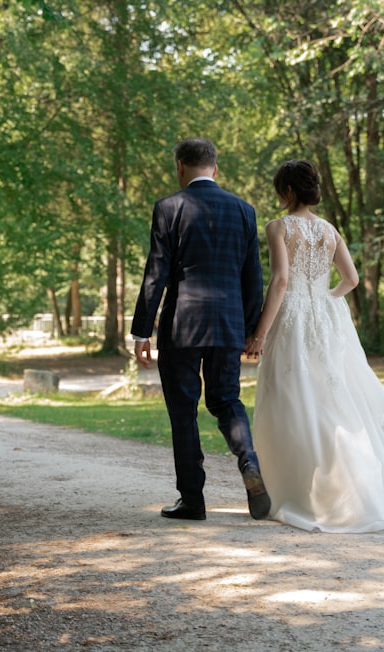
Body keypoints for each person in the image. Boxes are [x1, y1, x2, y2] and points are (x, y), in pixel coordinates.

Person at [245, 159, 384, 533]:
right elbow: (352, 279)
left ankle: (299, 494)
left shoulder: (278, 227)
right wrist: (324, 298)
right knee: (332, 400)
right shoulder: (330, 231)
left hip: (292, 319)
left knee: (290, 399)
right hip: (326, 321)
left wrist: (260, 334)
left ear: (289, 191)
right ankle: (347, 493)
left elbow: (280, 282)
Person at [131, 137, 271, 522]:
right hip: (228, 325)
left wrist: (142, 332)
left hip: (182, 327)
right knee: (226, 401)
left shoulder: (169, 208)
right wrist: (250, 328)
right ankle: (249, 464)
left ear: (180, 167)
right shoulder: (244, 210)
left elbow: (155, 274)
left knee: (184, 410)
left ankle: (193, 500)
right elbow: (252, 277)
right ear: (216, 166)